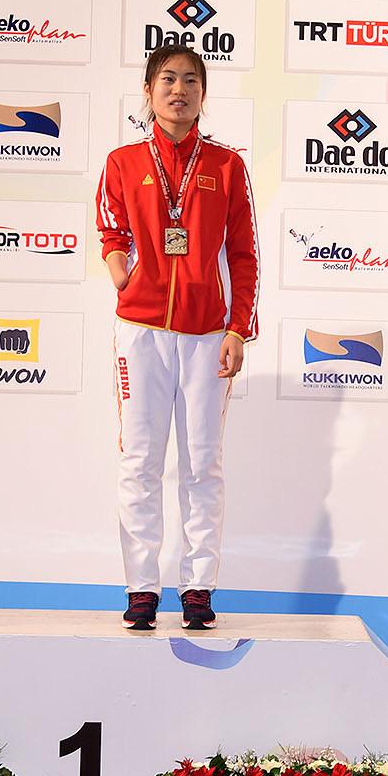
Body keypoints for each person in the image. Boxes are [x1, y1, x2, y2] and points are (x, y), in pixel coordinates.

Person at [96, 45, 259, 631]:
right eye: (168, 79)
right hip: (139, 331)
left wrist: (239, 326)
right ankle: (142, 589)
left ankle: (197, 588)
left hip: (206, 334)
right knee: (139, 461)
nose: (179, 89)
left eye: (191, 80)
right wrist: (119, 264)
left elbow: (244, 254)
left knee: (202, 466)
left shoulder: (226, 166)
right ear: (148, 89)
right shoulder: (122, 162)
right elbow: (109, 222)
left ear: (203, 95)